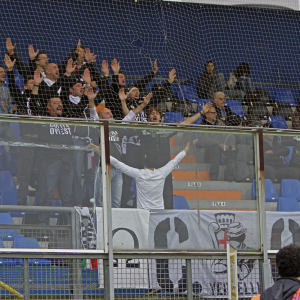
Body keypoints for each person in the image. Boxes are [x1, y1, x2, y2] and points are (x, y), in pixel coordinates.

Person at [90, 91, 153, 208]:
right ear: (101, 117)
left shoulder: (117, 126)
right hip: (103, 168)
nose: (111, 114)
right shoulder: (98, 126)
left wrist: (143, 104)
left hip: (118, 169)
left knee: (116, 202)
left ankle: (115, 225)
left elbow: (131, 115)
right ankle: (99, 224)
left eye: (110, 112)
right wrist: (91, 100)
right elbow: (93, 113)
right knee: (100, 201)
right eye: (107, 113)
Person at [110, 143, 189, 209]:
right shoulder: (162, 173)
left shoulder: (139, 174)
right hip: (159, 213)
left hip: (143, 214)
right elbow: (175, 161)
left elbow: (118, 164)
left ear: (144, 164)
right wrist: (186, 149)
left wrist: (103, 154)